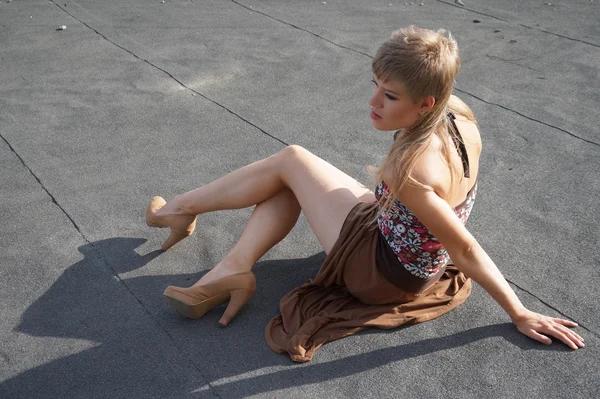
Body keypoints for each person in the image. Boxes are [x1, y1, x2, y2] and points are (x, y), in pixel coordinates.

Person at [146, 25, 584, 362]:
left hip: (380, 274)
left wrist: (519, 312)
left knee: (290, 160)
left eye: (389, 95)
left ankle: (180, 213)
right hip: (402, 243)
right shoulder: (462, 117)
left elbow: (465, 248)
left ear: (425, 104)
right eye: (375, 84)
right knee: (292, 174)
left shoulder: (410, 169)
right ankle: (231, 267)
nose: (373, 101)